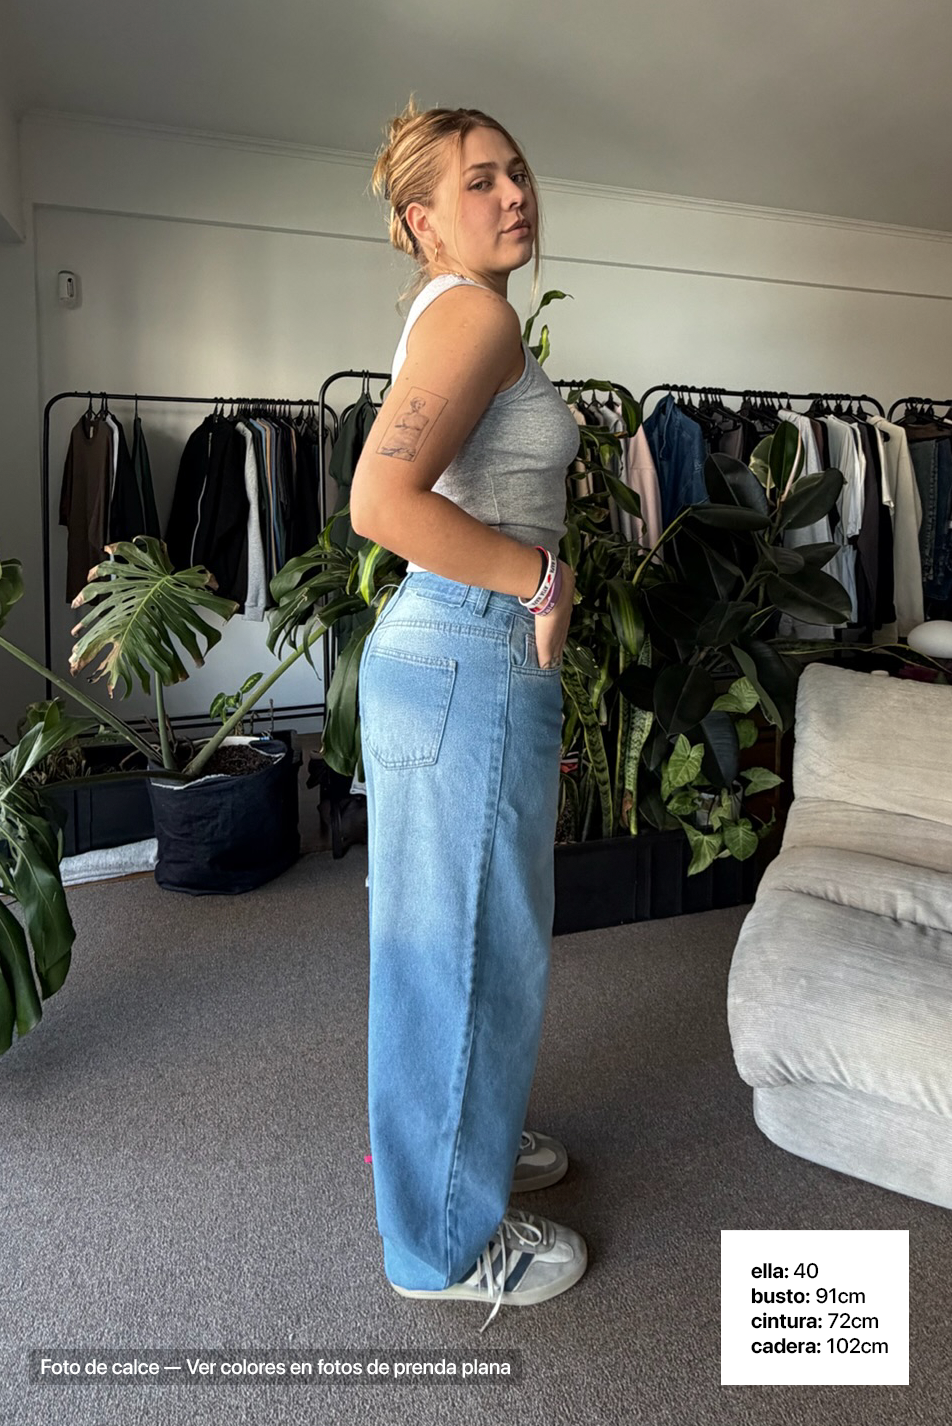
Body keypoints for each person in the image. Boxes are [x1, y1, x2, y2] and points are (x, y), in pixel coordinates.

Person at [351, 97, 588, 1333]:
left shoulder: (453, 314)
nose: (514, 194)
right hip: (465, 648)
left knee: (450, 942)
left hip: (446, 653)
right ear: (422, 220)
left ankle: (462, 1148)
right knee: (463, 951)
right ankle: (440, 1241)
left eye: (518, 172)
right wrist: (537, 575)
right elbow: (380, 503)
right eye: (480, 180)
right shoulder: (476, 314)